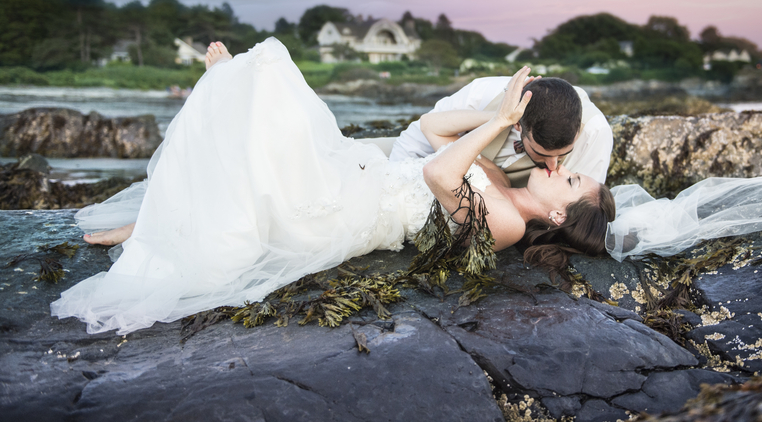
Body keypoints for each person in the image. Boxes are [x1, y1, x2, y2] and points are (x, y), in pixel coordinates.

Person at [51, 39, 614, 335]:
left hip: (361, 208)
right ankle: (162, 208)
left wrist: (494, 128)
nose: (556, 166)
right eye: (561, 165)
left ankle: (155, 224)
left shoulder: (512, 225)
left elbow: (438, 173)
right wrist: (497, 112)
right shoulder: (500, 179)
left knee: (269, 140)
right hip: (367, 175)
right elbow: (429, 129)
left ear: (560, 218)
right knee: (276, 108)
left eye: (568, 177)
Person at [390, 75, 613, 187]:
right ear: (518, 124)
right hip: (426, 169)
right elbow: (415, 138)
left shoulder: (594, 132)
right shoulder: (483, 94)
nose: (554, 166)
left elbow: (585, 204)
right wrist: (498, 118)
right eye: (543, 154)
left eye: (563, 154)